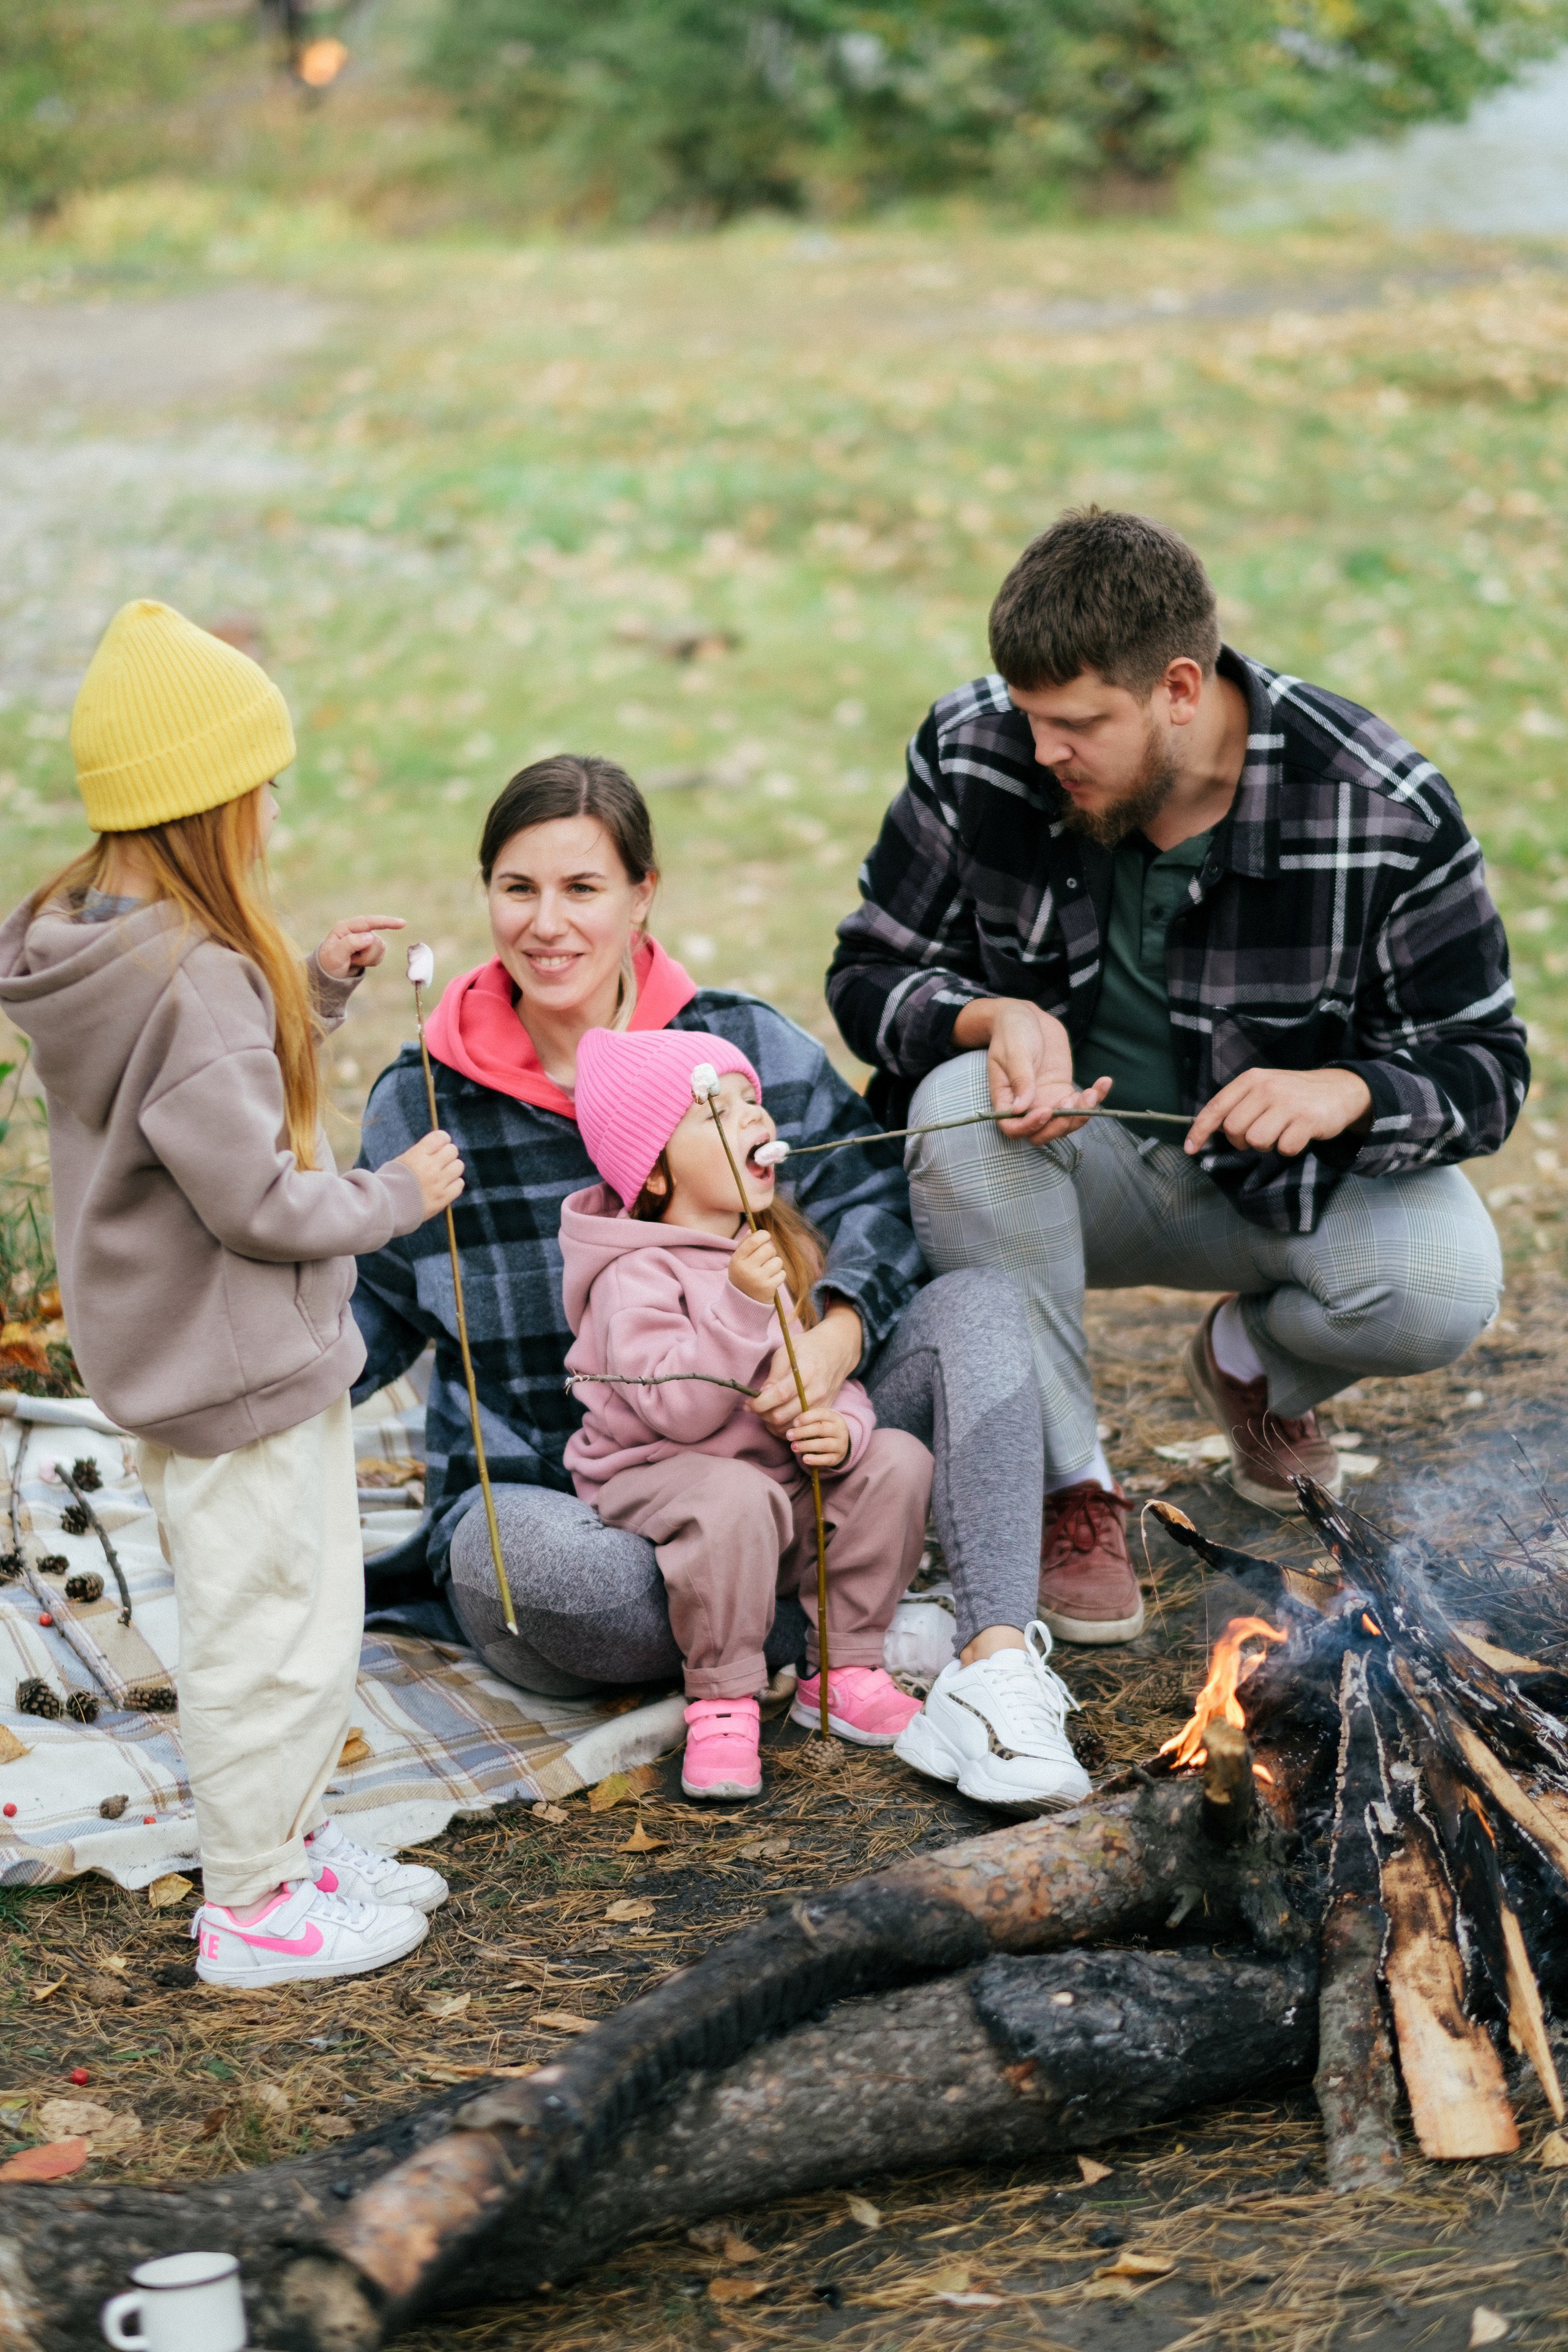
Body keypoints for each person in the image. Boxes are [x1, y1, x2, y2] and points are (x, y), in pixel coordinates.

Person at [829, 509, 1523, 1645]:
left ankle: (1246, 1365)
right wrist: (987, 1016)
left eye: (1081, 725)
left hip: (1269, 1192)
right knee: (952, 1105)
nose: (1046, 751)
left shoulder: (1378, 803)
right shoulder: (974, 749)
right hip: (1043, 1177)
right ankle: (1071, 1488)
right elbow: (869, 974)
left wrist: (1345, 1092)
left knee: (1445, 1281)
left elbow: (1488, 1067)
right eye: (1031, 718)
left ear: (1182, 690)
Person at [353, 754, 1090, 1812]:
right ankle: (835, 1627)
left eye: (583, 888)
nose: (546, 924)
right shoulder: (422, 1098)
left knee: (978, 1310)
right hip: (588, 1518)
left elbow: (875, 1202)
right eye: (518, 889)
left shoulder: (741, 1049)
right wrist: (235, 1379)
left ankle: (992, 1664)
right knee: (534, 1579)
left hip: (785, 1465)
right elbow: (370, 1306)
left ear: (644, 894)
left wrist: (836, 1336)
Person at [0, 600, 464, 1988]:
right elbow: (253, 1197)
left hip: (183, 1349)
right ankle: (257, 1906)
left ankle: (292, 1838)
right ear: (203, 800)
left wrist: (309, 995)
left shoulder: (103, 947)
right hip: (237, 1364)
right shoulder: (193, 976)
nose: (270, 803)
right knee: (275, 1633)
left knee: (276, 1614)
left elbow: (179, 1111)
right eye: (256, 780)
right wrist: (397, 1192)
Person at [561, 1027, 932, 1797]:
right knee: (736, 1495)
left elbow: (812, 1373)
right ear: (657, 1173)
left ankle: (845, 1668)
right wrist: (737, 1302)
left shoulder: (763, 1247)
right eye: (716, 1111)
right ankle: (724, 1698)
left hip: (770, 1491)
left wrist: (844, 1425)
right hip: (660, 1478)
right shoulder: (635, 1273)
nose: (754, 1119)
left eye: (752, 1101)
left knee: (897, 1458)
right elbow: (678, 1410)